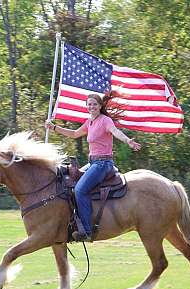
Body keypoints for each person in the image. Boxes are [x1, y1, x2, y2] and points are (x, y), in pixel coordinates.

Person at [45, 93, 141, 242]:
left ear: (100, 106)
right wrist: (55, 128)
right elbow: (75, 134)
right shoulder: (89, 122)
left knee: (80, 190)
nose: (92, 107)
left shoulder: (105, 121)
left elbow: (115, 132)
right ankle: (73, 223)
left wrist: (128, 141)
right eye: (89, 104)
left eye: (94, 104)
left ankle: (87, 230)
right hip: (93, 163)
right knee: (71, 183)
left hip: (103, 164)